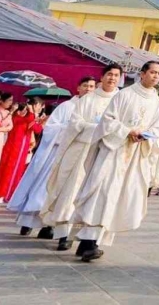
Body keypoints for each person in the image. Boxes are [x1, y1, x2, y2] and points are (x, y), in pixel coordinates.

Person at [69, 59, 159, 261]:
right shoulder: (125, 94)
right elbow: (108, 121)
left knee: (116, 196)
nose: (156, 76)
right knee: (102, 192)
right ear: (142, 73)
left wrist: (145, 134)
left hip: (134, 155)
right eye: (152, 72)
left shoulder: (157, 101)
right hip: (113, 152)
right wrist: (127, 131)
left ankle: (90, 243)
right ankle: (88, 242)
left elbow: (158, 127)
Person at [41, 65, 122, 250]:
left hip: (104, 154)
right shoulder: (87, 99)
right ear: (102, 77)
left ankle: (89, 239)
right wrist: (97, 128)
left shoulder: (120, 101)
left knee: (97, 196)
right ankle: (64, 235)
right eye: (109, 74)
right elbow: (75, 123)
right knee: (71, 192)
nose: (112, 78)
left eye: (116, 75)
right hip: (81, 151)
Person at [11, 77, 96, 237]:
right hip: (55, 154)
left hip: (76, 156)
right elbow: (50, 128)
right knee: (43, 188)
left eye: (92, 86)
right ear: (78, 87)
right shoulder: (66, 106)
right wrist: (71, 129)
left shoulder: (93, 109)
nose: (88, 89)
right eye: (85, 85)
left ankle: (48, 225)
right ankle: (28, 221)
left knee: (61, 193)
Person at [0, 98, 43, 203]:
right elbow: (36, 128)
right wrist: (40, 120)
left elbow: (34, 128)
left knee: (10, 168)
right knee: (11, 169)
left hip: (16, 145)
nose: (40, 108)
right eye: (39, 105)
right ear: (35, 104)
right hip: (17, 146)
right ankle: (4, 194)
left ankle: (4, 193)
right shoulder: (28, 114)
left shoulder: (23, 114)